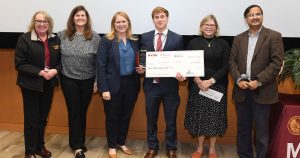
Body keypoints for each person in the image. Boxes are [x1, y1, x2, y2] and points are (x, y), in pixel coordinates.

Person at [229, 5, 284, 158]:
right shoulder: (238, 38)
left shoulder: (274, 36)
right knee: (243, 130)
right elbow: (232, 62)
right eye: (251, 15)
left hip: (263, 91)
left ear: (262, 16)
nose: (255, 17)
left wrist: (258, 81)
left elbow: (276, 63)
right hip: (242, 90)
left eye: (258, 14)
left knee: (261, 132)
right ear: (246, 19)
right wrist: (239, 79)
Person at [137, 6, 185, 158]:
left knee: (171, 120)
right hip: (151, 86)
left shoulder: (177, 38)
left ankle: (171, 148)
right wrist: (141, 69)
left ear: (167, 18)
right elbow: (142, 59)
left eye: (162, 17)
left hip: (170, 86)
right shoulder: (144, 37)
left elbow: (180, 61)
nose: (159, 20)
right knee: (151, 119)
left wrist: (181, 73)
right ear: (153, 20)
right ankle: (152, 147)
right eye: (156, 17)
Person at [15, 11, 60, 158]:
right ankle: (30, 151)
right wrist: (40, 72)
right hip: (30, 84)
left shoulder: (55, 39)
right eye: (39, 21)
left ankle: (40, 147)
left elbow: (60, 62)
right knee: (31, 119)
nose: (42, 24)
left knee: (42, 118)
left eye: (45, 21)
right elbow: (20, 64)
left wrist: (55, 70)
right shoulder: (24, 38)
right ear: (33, 22)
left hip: (48, 83)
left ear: (49, 23)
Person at [57, 5, 100, 158]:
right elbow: (55, 57)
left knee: (82, 111)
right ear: (72, 18)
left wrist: (96, 80)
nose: (80, 18)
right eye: (77, 15)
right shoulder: (62, 35)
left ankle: (79, 142)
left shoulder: (95, 37)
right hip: (68, 78)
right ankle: (76, 147)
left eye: (83, 15)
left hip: (88, 80)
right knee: (74, 111)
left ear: (86, 18)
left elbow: (98, 62)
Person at [184, 15, 229, 158]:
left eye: (212, 25)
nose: (209, 27)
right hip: (197, 87)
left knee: (214, 119)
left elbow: (226, 66)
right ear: (201, 26)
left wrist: (210, 81)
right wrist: (198, 81)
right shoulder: (193, 43)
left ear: (216, 28)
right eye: (206, 24)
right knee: (200, 118)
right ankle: (199, 148)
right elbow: (187, 64)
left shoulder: (223, 44)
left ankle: (212, 149)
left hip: (217, 86)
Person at [97, 11, 140, 158]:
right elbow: (100, 66)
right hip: (112, 85)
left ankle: (121, 142)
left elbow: (138, 62)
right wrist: (104, 88)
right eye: (118, 22)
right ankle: (111, 145)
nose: (121, 24)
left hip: (131, 84)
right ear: (113, 24)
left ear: (128, 23)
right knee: (112, 117)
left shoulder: (134, 40)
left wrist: (140, 69)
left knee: (126, 115)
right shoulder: (106, 41)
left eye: (124, 21)